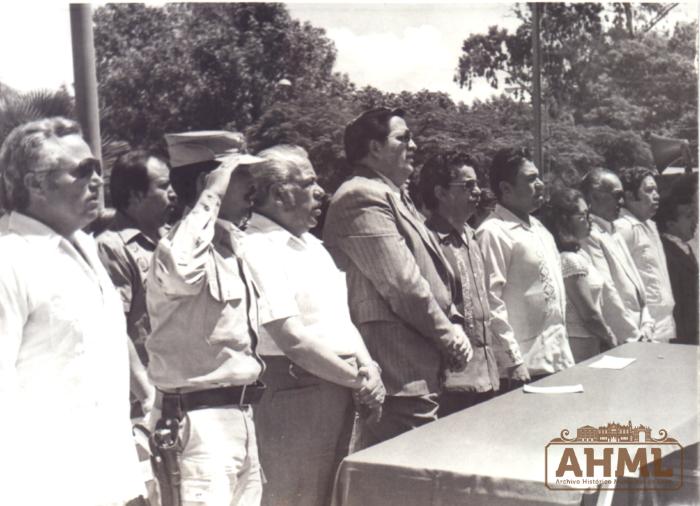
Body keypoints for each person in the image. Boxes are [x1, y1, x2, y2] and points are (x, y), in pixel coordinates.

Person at [0, 117, 145, 505]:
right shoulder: (9, 260)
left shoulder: (87, 250)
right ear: (34, 184)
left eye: (98, 169)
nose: (97, 180)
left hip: (116, 480)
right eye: (82, 172)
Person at [242, 144, 385, 506]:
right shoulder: (257, 247)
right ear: (279, 194)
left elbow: (340, 320)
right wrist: (357, 379)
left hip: (341, 384)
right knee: (295, 498)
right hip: (296, 392)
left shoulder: (313, 247)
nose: (322, 191)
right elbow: (291, 338)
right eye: (309, 183)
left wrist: (369, 368)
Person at [323, 107, 472, 448]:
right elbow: (403, 284)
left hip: (418, 366)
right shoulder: (360, 195)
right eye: (404, 138)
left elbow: (437, 275)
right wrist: (449, 336)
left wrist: (455, 324)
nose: (415, 145)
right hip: (396, 370)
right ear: (374, 147)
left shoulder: (395, 195)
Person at [145, 131, 266, 506]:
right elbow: (181, 270)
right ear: (207, 183)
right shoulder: (182, 245)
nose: (252, 185)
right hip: (200, 422)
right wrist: (210, 196)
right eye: (239, 174)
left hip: (240, 416)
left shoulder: (229, 244)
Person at [476, 147, 572, 390]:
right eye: (530, 179)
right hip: (522, 370)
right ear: (505, 188)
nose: (540, 184)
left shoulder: (540, 229)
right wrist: (513, 361)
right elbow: (489, 302)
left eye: (538, 177)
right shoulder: (493, 232)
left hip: (557, 361)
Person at [418, 151, 499, 416]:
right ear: (440, 193)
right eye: (467, 186)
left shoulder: (473, 238)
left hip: (487, 378)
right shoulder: (425, 241)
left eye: (477, 184)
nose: (477, 192)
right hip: (450, 386)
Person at [97, 150, 176, 416]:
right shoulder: (112, 247)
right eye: (164, 186)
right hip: (146, 398)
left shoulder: (175, 241)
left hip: (185, 385)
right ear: (134, 195)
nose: (173, 193)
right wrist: (146, 395)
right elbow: (113, 329)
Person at [540, 188, 617, 362]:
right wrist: (610, 336)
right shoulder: (569, 260)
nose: (589, 221)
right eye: (583, 215)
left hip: (590, 340)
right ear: (565, 220)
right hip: (578, 341)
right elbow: (589, 313)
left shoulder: (580, 254)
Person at [579, 168, 655, 343]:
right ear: (594, 196)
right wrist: (633, 338)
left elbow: (637, 284)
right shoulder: (589, 235)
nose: (621, 202)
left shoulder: (614, 230)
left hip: (642, 333)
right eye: (616, 195)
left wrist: (647, 323)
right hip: (624, 339)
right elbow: (607, 292)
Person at [615, 166, 675, 342]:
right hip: (644, 326)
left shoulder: (650, 225)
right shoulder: (623, 227)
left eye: (656, 190)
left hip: (665, 323)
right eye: (649, 190)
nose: (656, 195)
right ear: (630, 196)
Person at [656, 188, 698, 344]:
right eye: (688, 216)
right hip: (682, 332)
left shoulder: (685, 246)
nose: (695, 220)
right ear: (671, 224)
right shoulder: (666, 252)